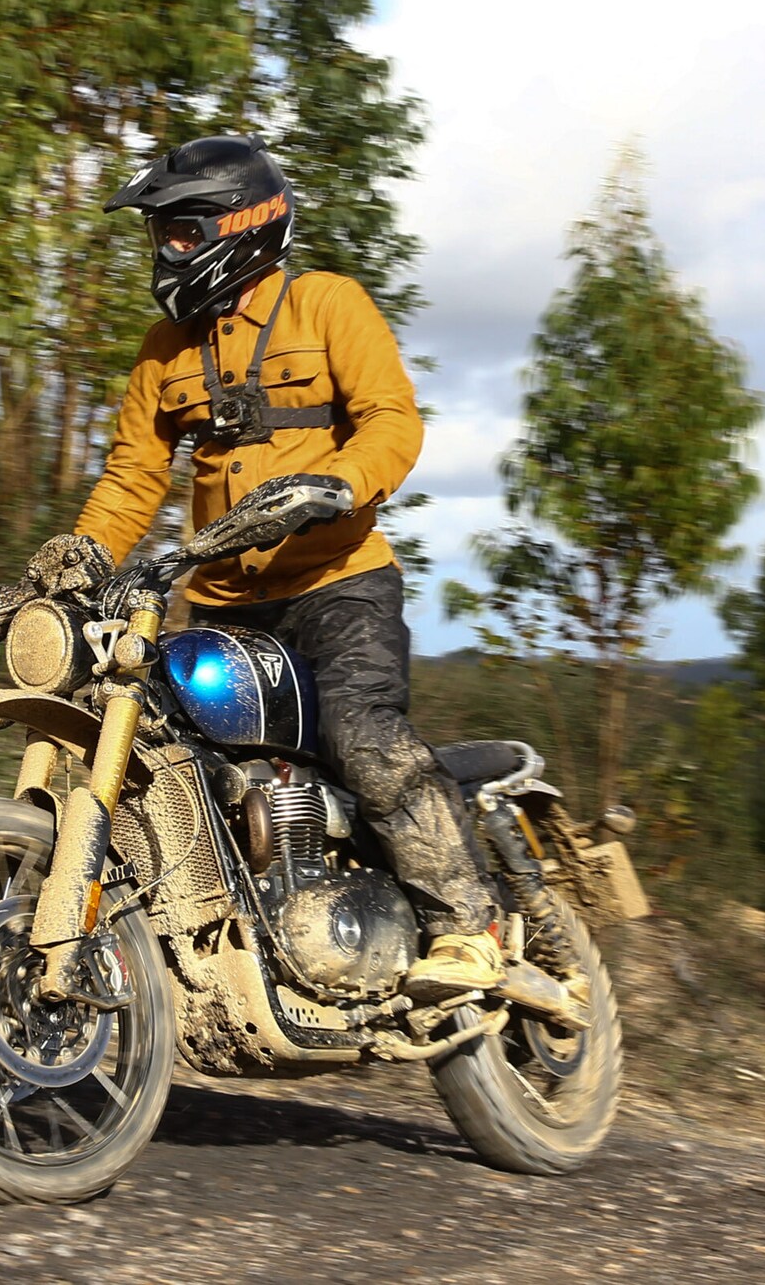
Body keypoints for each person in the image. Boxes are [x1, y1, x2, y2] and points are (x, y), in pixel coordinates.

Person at [70, 132, 504, 999]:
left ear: (244, 225)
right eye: (161, 236)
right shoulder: (164, 351)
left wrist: (337, 484)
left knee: (362, 737)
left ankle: (467, 925)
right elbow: (130, 482)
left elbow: (392, 420)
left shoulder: (328, 305)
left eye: (183, 232)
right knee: (169, 759)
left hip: (339, 586)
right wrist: (67, 569)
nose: (167, 252)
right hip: (227, 606)